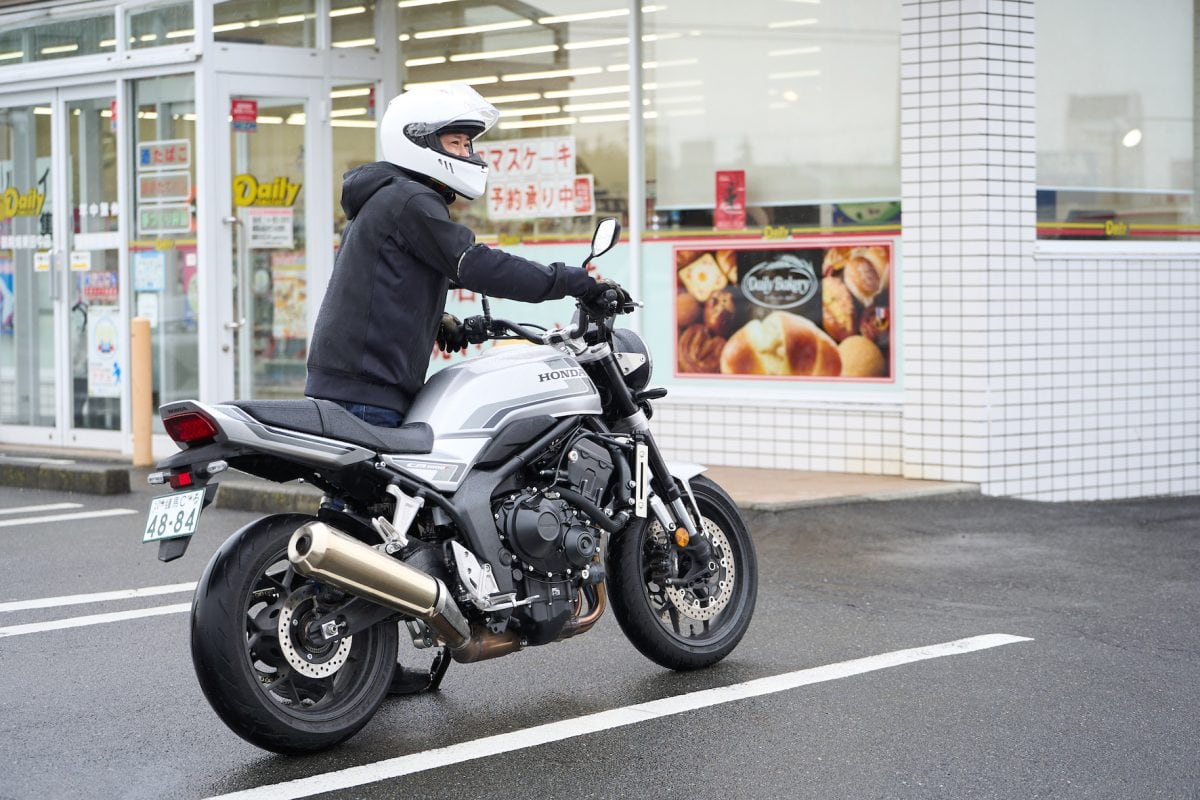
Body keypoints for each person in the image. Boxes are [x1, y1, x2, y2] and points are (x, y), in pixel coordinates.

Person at [305, 82, 624, 428]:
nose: (465, 153)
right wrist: (577, 282)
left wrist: (435, 318)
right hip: (367, 394)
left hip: (357, 385)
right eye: (454, 143)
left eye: (467, 143)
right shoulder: (410, 200)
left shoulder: (387, 197)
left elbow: (389, 277)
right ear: (417, 141)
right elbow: (476, 265)